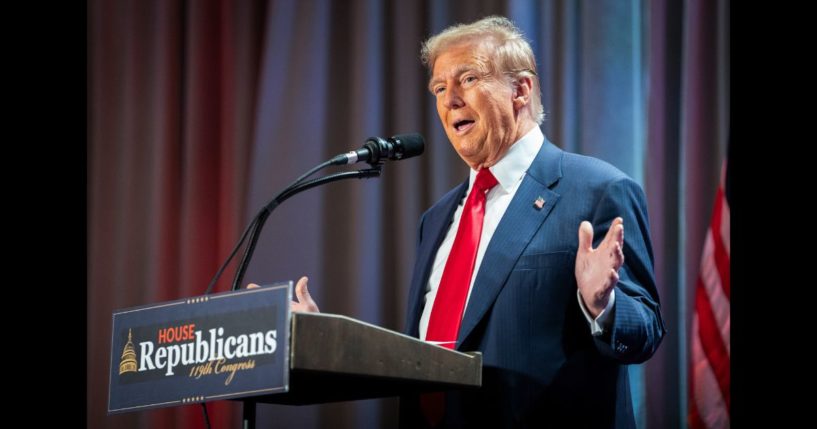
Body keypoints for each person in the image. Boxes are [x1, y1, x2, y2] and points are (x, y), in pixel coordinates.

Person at [287, 15, 665, 429]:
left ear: (521, 90)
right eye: (438, 88)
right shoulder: (435, 220)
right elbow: (424, 357)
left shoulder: (598, 190)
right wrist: (323, 339)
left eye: (467, 79)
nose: (449, 100)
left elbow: (645, 329)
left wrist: (603, 306)